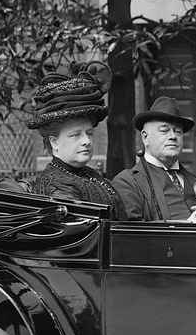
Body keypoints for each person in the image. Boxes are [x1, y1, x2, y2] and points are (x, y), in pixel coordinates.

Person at [26, 62, 126, 218]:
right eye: (76, 135)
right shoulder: (56, 184)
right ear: (54, 142)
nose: (86, 141)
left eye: (89, 133)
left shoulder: (90, 175)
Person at [112, 96, 196, 223]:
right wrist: (186, 226)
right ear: (145, 137)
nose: (173, 136)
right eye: (164, 131)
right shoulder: (128, 183)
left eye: (178, 132)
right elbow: (130, 233)